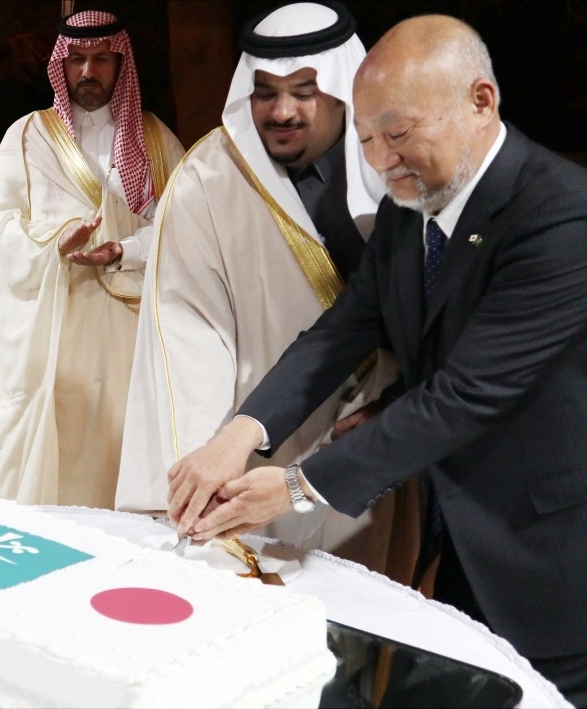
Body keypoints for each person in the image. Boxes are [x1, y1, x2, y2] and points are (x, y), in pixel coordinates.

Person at [168, 14, 587, 706]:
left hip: (553, 559)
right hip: (462, 551)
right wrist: (237, 436)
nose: (382, 160)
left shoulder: (559, 217)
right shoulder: (409, 205)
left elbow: (464, 393)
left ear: (481, 102)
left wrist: (297, 487)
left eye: (399, 133)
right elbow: (342, 331)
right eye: (364, 139)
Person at [116, 1, 417, 581]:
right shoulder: (209, 182)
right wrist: (207, 464)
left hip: (389, 434)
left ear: (342, 90)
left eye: (305, 91)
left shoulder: (399, 171)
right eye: (265, 92)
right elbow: (189, 335)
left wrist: (399, 399)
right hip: (258, 445)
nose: (282, 111)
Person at [0, 11, 184, 508]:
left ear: (120, 64)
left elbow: (183, 230)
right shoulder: (28, 136)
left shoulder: (156, 140)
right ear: (61, 67)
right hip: (54, 324)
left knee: (120, 444)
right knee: (63, 448)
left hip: (129, 331)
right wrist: (54, 245)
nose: (88, 71)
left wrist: (122, 250)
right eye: (78, 60)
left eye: (101, 60)